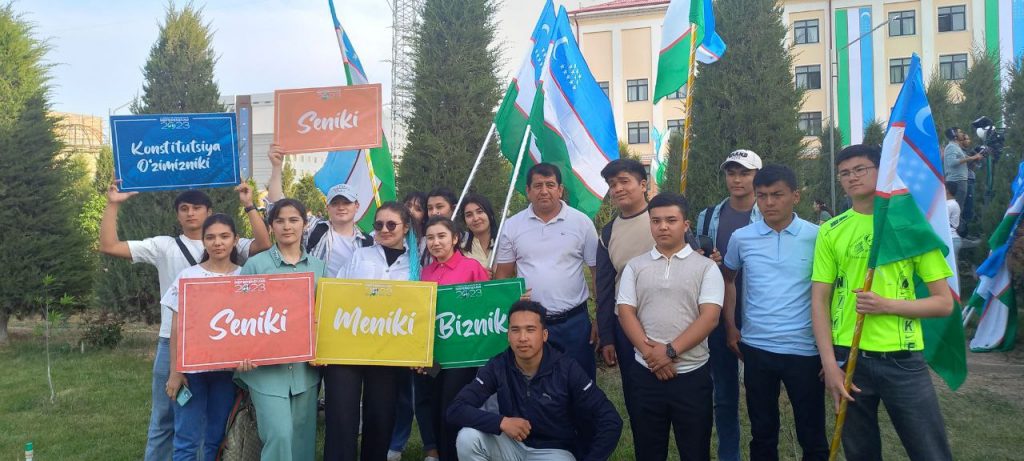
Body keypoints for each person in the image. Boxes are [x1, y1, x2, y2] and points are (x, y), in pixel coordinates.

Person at [98, 183, 269, 461]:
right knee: (168, 420)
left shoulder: (241, 271)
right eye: (184, 209)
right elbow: (108, 246)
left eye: (197, 208)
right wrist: (113, 203)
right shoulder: (167, 249)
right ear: (177, 215)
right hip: (178, 347)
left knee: (216, 430)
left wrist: (249, 205)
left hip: (224, 357)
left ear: (232, 238)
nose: (191, 213)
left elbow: (264, 245)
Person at [812, 144, 955, 461]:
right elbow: (819, 300)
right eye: (844, 173)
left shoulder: (910, 226)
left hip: (902, 359)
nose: (852, 177)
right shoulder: (831, 230)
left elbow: (943, 303)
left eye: (860, 169)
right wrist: (829, 364)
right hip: (849, 357)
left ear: (882, 171)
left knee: (929, 451)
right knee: (860, 452)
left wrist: (886, 305)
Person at [721, 165, 828, 461]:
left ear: (795, 196)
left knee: (812, 433)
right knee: (763, 432)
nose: (769, 202)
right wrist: (730, 326)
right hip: (757, 349)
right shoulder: (742, 238)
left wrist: (830, 349)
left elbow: (830, 293)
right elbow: (728, 280)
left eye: (777, 195)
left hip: (805, 350)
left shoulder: (818, 236)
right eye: (762, 195)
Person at [617, 193, 723, 461]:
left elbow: (709, 317)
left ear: (685, 224)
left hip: (691, 374)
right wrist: (652, 356)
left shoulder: (706, 268)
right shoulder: (635, 266)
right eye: (656, 221)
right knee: (648, 450)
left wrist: (670, 352)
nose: (663, 226)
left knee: (695, 450)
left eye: (671, 220)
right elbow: (626, 312)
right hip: (646, 373)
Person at [447, 300, 623, 461]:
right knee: (468, 438)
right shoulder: (498, 365)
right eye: (515, 330)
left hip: (554, 452)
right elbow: (456, 409)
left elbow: (611, 420)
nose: (522, 338)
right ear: (508, 335)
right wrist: (502, 422)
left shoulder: (567, 368)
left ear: (544, 335)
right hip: (511, 444)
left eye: (530, 330)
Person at [327, 201, 421, 461]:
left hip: (387, 352)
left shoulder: (415, 267)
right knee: (341, 416)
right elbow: (337, 293)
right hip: (347, 348)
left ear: (405, 228)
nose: (384, 230)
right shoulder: (360, 256)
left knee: (381, 418)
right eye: (379, 225)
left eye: (391, 224)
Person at [235, 198, 326, 461]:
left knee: (302, 440)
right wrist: (241, 354)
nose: (287, 226)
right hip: (265, 370)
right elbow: (239, 315)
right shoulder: (256, 266)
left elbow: (325, 316)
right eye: (280, 221)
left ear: (305, 224)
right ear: (271, 226)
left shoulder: (319, 268)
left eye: (294, 220)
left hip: (305, 371)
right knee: (279, 434)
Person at [495, 163, 599, 380]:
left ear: (560, 190)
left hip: (574, 323)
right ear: (528, 191)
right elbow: (502, 275)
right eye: (538, 185)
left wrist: (600, 318)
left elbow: (597, 273)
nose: (544, 191)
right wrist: (510, 299)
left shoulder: (581, 223)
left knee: (579, 382)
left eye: (550, 185)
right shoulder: (512, 225)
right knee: (534, 384)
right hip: (530, 324)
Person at [693, 149, 763, 461]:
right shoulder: (708, 216)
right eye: (731, 173)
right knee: (723, 395)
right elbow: (697, 259)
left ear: (756, 176)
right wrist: (704, 259)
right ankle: (729, 454)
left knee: (761, 394)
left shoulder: (769, 212)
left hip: (760, 313)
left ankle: (763, 450)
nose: (737, 179)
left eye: (744, 173)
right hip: (720, 314)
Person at [162, 214, 245, 461]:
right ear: (203, 241)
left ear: (235, 240)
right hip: (192, 372)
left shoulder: (245, 277)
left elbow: (251, 324)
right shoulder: (188, 276)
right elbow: (177, 327)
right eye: (210, 237)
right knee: (186, 437)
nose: (217, 242)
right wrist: (175, 371)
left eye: (224, 236)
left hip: (227, 372)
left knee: (217, 437)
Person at [419, 216, 491, 461]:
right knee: (434, 402)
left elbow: (488, 305)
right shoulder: (425, 272)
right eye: (430, 238)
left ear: (455, 238)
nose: (436, 242)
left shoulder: (471, 267)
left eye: (441, 236)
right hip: (433, 354)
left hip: (463, 355)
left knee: (453, 405)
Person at [594, 158, 654, 444]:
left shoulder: (664, 218)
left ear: (643, 184)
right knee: (637, 396)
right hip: (626, 324)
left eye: (624, 181)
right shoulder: (608, 232)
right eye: (612, 184)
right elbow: (604, 287)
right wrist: (607, 337)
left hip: (670, 320)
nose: (617, 189)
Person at [267, 145, 373, 277]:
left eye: (347, 203)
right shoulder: (313, 228)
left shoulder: (369, 242)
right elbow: (275, 208)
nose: (341, 207)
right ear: (327, 207)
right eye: (335, 203)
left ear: (356, 206)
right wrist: (276, 167)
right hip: (313, 289)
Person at [942, 127, 981, 214]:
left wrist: (976, 157)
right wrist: (972, 158)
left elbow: (964, 159)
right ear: (954, 135)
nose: (962, 134)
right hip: (957, 181)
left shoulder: (956, 147)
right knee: (957, 208)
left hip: (960, 180)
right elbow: (952, 162)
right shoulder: (951, 147)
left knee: (959, 208)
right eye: (960, 132)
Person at [460, 193, 499, 270]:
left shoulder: (506, 243)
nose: (475, 218)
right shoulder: (461, 250)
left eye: (480, 212)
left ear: (490, 215)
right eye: (469, 215)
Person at [947, 182, 962, 259]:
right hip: (953, 238)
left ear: (947, 190)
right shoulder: (954, 203)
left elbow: (943, 220)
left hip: (951, 239)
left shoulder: (949, 204)